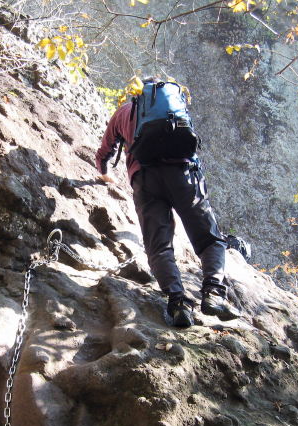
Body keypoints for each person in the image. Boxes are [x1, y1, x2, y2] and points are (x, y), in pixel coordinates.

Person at [95, 77, 242, 328]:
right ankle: (214, 293)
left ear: (139, 94)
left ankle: (178, 303)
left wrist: (104, 172)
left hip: (145, 180)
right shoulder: (174, 108)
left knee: (159, 246)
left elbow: (105, 150)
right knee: (210, 238)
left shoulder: (124, 112)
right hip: (184, 176)